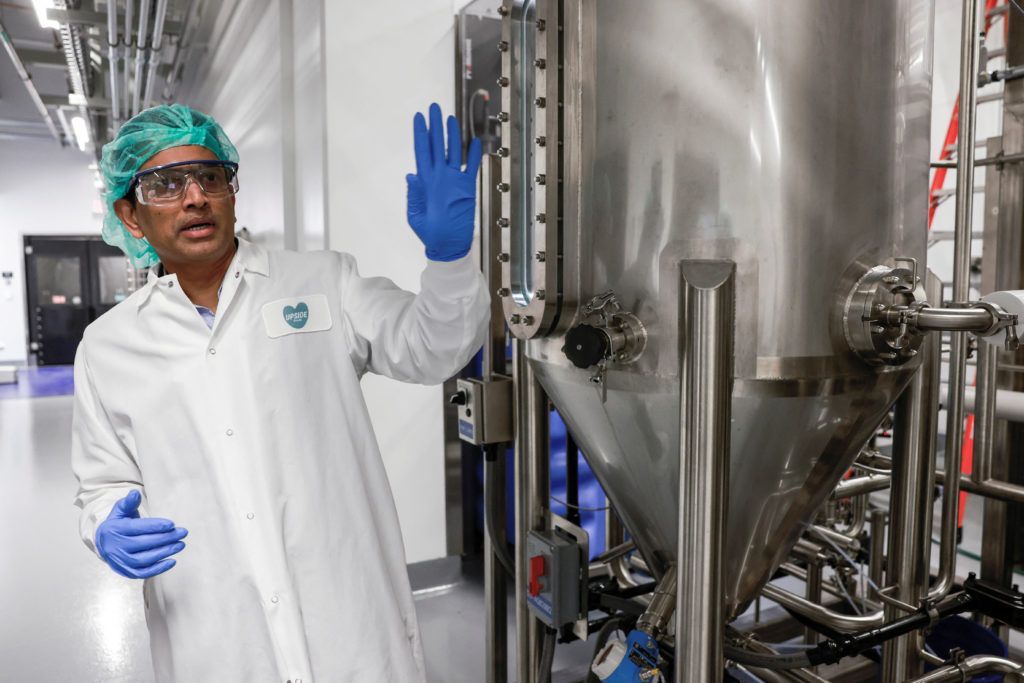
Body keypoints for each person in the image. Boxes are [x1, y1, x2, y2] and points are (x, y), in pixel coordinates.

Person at [70, 103, 488, 682]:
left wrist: (449, 261)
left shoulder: (323, 281)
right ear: (130, 215)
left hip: (347, 617)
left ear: (231, 191)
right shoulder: (108, 345)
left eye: (210, 176)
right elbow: (103, 483)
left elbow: (433, 348)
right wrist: (104, 526)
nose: (194, 198)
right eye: (164, 185)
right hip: (217, 636)